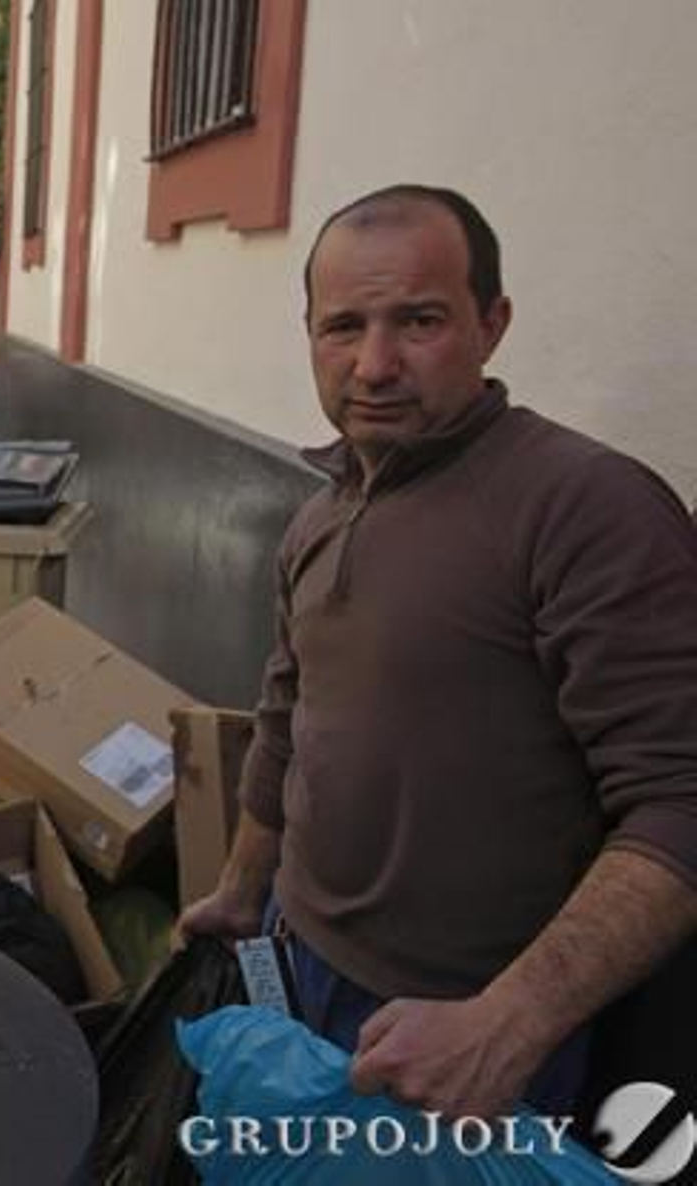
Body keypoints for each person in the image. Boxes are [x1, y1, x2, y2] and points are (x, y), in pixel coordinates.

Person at [178, 184, 697, 1121]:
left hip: (469, 1035)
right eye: (343, 326)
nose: (374, 365)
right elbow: (288, 721)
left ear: (492, 324)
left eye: (419, 321)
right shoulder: (321, 510)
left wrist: (511, 1021)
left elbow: (679, 801)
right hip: (299, 973)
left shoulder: (586, 510)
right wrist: (243, 890)